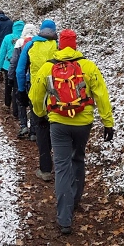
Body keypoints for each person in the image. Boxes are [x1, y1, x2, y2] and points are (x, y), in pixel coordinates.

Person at [29, 29, 114, 235]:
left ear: (59, 45)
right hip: (83, 123)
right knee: (78, 159)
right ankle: (75, 201)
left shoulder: (49, 67)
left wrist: (40, 114)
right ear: (75, 45)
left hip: (58, 123)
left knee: (61, 165)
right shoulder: (88, 66)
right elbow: (101, 94)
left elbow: (36, 94)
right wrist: (107, 122)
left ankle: (64, 218)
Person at [16, 19, 58, 180]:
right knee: (56, 127)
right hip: (57, 95)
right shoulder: (58, 46)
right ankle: (59, 165)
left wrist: (21, 91)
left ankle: (45, 169)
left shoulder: (30, 45)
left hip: (36, 93)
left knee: (41, 128)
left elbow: (20, 70)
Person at [8, 23, 37, 139]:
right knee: (33, 104)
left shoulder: (19, 42)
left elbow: (14, 61)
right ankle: (33, 131)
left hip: (20, 77)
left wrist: (10, 76)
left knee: (21, 101)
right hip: (33, 78)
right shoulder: (37, 43)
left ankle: (23, 126)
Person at [0, 20, 25, 115]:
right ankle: (17, 109)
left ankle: (7, 104)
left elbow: (2, 53)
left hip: (7, 65)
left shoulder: (8, 37)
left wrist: (0, 66)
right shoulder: (26, 40)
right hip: (22, 67)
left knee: (8, 86)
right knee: (18, 87)